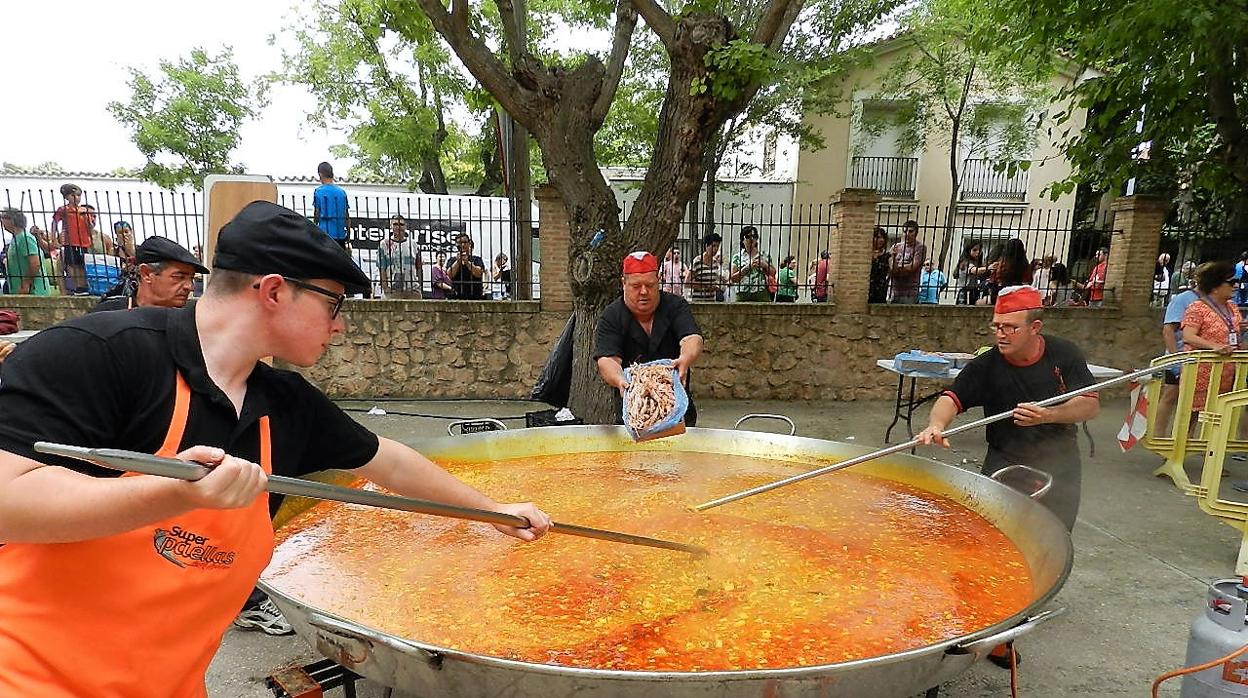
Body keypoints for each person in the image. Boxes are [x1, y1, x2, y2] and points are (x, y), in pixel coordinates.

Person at [0, 201, 550, 697]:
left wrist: (489, 511)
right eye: (334, 303)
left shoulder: (283, 403)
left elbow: (386, 459)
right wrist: (172, 493)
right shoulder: (98, 356)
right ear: (273, 290)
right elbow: (9, 502)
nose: (339, 327)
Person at [917, 284, 1099, 533]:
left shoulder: (1064, 354)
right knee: (993, 533)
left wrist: (1048, 415)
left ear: (1035, 327)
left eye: (1011, 327)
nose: (1001, 334)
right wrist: (936, 425)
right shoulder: (987, 365)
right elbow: (950, 399)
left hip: (1059, 460)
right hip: (1003, 459)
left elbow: (1089, 404)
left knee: (1053, 536)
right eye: (997, 326)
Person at [593, 251, 705, 426]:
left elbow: (691, 338)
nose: (644, 292)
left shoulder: (676, 306)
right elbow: (607, 359)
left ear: (658, 280)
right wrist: (620, 380)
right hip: (634, 411)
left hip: (677, 411)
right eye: (636, 286)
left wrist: (685, 359)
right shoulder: (612, 315)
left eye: (650, 285)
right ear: (624, 283)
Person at [1180, 261, 1243, 414]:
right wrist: (1213, 346)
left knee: (1219, 416)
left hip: (1225, 373)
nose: (1236, 286)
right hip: (1200, 373)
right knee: (1191, 416)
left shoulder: (1232, 307)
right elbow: (1188, 336)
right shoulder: (1197, 307)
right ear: (1215, 286)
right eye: (1232, 282)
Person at [91, 236, 209, 313]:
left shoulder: (192, 321)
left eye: (191, 278)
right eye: (179, 277)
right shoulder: (108, 316)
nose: (190, 286)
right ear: (146, 273)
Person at [1155, 269, 1202, 437]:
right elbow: (1168, 330)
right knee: (1170, 395)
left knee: (1195, 402)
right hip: (1180, 356)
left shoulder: (1214, 301)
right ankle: (1159, 436)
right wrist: (1176, 360)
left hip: (1199, 360)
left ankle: (1185, 438)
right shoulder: (1183, 299)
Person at [51, 182, 90, 294]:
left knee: (82, 264)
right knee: (71, 264)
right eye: (73, 196)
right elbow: (54, 222)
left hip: (84, 241)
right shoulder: (63, 209)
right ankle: (77, 285)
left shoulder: (83, 210)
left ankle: (83, 285)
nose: (76, 198)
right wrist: (54, 238)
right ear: (67, 197)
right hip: (70, 241)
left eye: (78, 195)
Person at [1, 208, 51, 296]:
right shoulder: (16, 239)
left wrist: (26, 283)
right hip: (20, 291)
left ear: (11, 220)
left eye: (3, 218)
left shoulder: (25, 238)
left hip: (33, 291)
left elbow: (35, 263)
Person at [378, 215, 423, 300]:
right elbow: (382, 267)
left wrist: (420, 286)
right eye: (395, 224)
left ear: (405, 226)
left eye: (401, 225)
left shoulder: (413, 244)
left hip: (412, 289)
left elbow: (419, 267)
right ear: (391, 226)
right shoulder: (384, 244)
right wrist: (385, 287)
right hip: (392, 290)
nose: (398, 227)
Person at [728, 226, 775, 302]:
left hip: (761, 292)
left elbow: (773, 273)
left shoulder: (764, 255)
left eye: (754, 236)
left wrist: (765, 265)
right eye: (748, 236)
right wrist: (747, 267)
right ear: (742, 240)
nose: (751, 239)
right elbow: (733, 278)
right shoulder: (737, 257)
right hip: (742, 293)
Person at [312, 161, 350, 251]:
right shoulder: (342, 192)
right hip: (339, 234)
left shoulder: (318, 192)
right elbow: (346, 215)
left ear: (320, 174)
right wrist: (348, 233)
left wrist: (313, 229)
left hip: (324, 234)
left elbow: (317, 214)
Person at [887, 220, 925, 304]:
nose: (907, 234)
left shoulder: (919, 247)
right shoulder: (896, 246)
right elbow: (890, 267)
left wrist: (898, 268)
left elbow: (913, 267)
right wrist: (895, 266)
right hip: (893, 290)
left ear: (916, 233)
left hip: (909, 292)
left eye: (910, 231)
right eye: (905, 231)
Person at [448, 233, 485, 299]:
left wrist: (467, 262)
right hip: (456, 297)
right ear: (456, 244)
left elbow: (479, 273)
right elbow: (449, 275)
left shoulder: (477, 259)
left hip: (474, 297)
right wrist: (458, 262)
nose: (462, 245)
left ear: (469, 243)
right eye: (459, 243)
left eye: (465, 242)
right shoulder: (452, 260)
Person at [688, 232, 723, 302]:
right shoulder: (697, 261)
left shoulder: (715, 263)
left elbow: (717, 280)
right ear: (706, 246)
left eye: (717, 246)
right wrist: (706, 286)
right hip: (697, 300)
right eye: (713, 246)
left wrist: (716, 287)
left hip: (711, 300)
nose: (715, 249)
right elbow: (687, 282)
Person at [954, 239, 988, 306]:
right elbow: (974, 270)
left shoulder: (977, 263)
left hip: (974, 291)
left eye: (979, 250)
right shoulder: (965, 262)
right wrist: (988, 268)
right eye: (974, 250)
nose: (978, 252)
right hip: (965, 292)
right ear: (968, 250)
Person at [868, 227, 890, 304]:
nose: (881, 240)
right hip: (867, 287)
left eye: (882, 237)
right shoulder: (866, 255)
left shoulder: (886, 256)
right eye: (877, 237)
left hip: (880, 288)